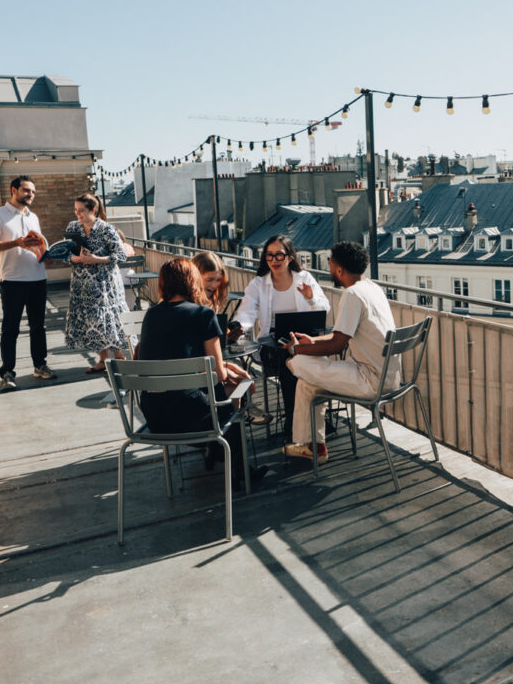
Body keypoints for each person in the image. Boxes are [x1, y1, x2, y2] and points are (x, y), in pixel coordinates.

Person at [135, 258, 267, 483]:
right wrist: (231, 372)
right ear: (193, 281)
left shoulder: (151, 315)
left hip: (155, 417)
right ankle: (239, 470)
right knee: (238, 389)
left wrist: (223, 368)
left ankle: (217, 451)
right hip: (192, 417)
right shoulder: (203, 315)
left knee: (221, 389)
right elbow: (218, 375)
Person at [282, 241, 397, 463]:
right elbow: (340, 336)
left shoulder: (352, 295)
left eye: (330, 264)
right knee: (307, 384)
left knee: (302, 364)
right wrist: (312, 341)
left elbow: (337, 345)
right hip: (388, 377)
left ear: (339, 270)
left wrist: (297, 349)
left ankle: (312, 446)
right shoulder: (371, 288)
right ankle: (315, 447)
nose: (329, 268)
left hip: (370, 379)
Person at [227, 235, 329, 442]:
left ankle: (307, 421)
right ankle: (296, 422)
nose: (274, 260)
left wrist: (310, 298)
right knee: (291, 361)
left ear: (290, 257)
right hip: (272, 346)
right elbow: (246, 312)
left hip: (302, 338)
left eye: (279, 255)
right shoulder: (258, 284)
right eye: (269, 256)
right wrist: (239, 327)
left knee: (301, 359)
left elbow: (324, 309)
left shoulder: (305, 279)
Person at [0, 176, 55, 391]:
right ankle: (8, 372)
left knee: (38, 327)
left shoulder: (33, 217)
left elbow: (36, 246)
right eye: (25, 190)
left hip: (38, 279)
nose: (30, 194)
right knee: (10, 328)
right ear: (13, 190)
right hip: (13, 281)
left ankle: (40, 365)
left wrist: (46, 255)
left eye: (32, 191)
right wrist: (17, 242)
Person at [62, 194, 130, 374]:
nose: (78, 214)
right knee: (94, 320)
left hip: (105, 285)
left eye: (81, 210)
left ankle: (120, 357)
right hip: (82, 284)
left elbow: (121, 256)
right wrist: (75, 258)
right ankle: (103, 359)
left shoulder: (107, 229)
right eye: (76, 210)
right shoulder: (73, 227)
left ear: (93, 209)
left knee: (110, 319)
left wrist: (96, 259)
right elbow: (64, 253)